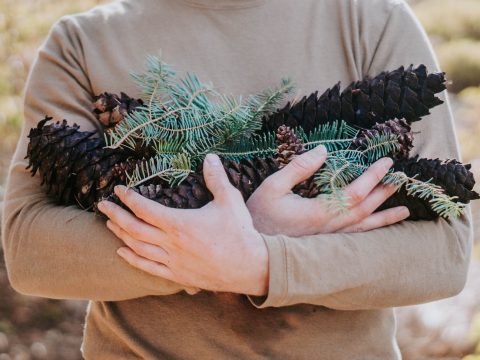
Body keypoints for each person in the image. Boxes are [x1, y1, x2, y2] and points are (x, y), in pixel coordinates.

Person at [1, 0, 473, 358]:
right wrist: (223, 243)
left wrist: (265, 262)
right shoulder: (84, 41)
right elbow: (29, 249)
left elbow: (444, 251)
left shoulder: (372, 20)